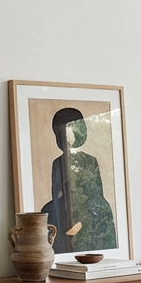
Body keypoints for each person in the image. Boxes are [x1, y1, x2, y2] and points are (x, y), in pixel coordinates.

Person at [41, 107, 117, 253]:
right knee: (47, 211)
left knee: (101, 210)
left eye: (70, 128)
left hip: (89, 204)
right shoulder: (57, 163)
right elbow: (56, 193)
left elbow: (96, 192)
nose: (66, 133)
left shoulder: (89, 161)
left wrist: (83, 212)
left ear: (79, 129)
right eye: (61, 130)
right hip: (64, 204)